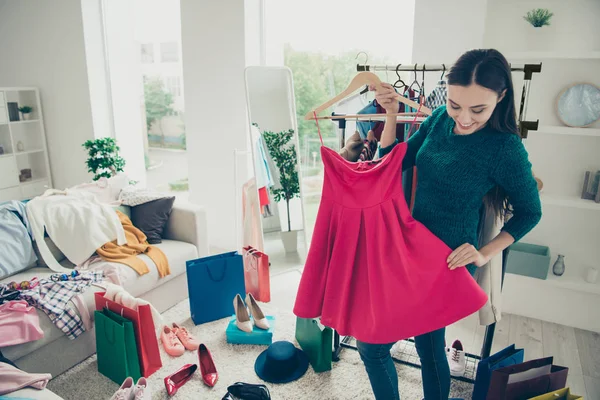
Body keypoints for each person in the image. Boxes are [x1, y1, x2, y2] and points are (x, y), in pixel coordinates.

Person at [358, 49, 542, 400]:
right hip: (409, 249)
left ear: (501, 98)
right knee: (383, 345)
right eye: (457, 104)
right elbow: (391, 165)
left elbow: (530, 211)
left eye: (478, 109)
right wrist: (393, 113)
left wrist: (485, 252)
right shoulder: (440, 118)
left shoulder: (505, 148)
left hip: (447, 262)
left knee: (398, 346)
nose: (464, 119)